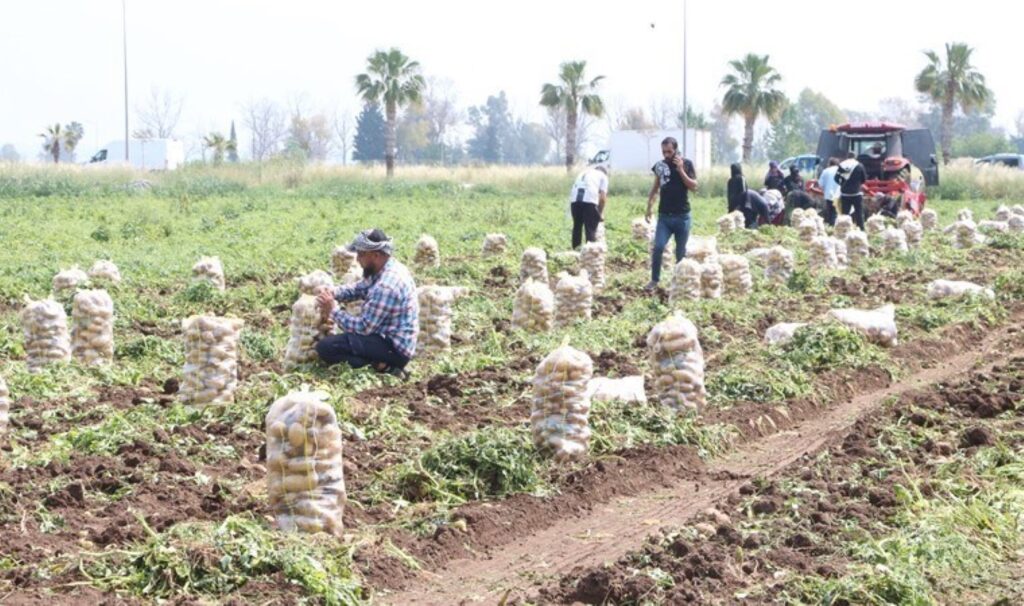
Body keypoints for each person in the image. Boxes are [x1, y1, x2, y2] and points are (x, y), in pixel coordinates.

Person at [315, 228, 418, 378]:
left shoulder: (387, 285)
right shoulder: (384, 268)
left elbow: (363, 329)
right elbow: (359, 288)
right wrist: (334, 292)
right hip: (385, 337)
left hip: (394, 348)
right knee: (338, 342)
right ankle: (379, 362)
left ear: (376, 255)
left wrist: (333, 310)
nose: (357, 259)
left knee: (327, 347)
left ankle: (386, 367)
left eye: (361, 254)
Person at [644, 137, 697, 291]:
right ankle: (654, 280)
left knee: (680, 253)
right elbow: (655, 187)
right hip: (665, 217)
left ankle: (680, 283)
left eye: (669, 151)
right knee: (658, 246)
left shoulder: (686, 164)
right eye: (664, 152)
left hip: (682, 217)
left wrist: (680, 170)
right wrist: (649, 206)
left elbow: (694, 186)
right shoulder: (659, 166)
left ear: (676, 150)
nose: (666, 155)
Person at [568, 163, 609, 249]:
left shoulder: (583, 173)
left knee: (577, 227)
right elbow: (602, 199)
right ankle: (590, 254)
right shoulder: (603, 176)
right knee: (590, 229)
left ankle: (576, 251)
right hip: (589, 201)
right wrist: (600, 213)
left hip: (574, 201)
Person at [727, 163, 772, 228]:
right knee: (747, 220)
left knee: (737, 220)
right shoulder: (741, 178)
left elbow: (729, 196)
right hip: (743, 202)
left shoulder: (730, 181)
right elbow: (744, 192)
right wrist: (742, 205)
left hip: (736, 203)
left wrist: (731, 207)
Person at [836, 154, 868, 229]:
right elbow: (864, 179)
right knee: (859, 213)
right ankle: (861, 229)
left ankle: (844, 229)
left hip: (845, 194)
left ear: (847, 157)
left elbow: (836, 178)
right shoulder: (859, 165)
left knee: (845, 214)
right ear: (855, 157)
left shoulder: (842, 165)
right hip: (856, 193)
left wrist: (842, 184)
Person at [818, 157, 841, 225]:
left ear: (829, 163)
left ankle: (831, 226)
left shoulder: (825, 171)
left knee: (830, 212)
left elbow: (820, 184)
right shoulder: (840, 171)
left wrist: (825, 189)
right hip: (838, 195)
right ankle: (835, 226)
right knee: (837, 212)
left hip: (828, 195)